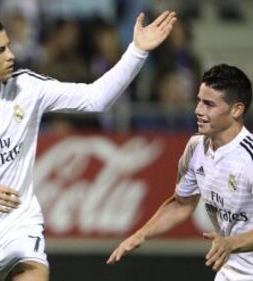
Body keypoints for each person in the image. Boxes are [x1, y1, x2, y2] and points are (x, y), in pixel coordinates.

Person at [0, 11, 176, 281]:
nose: (10, 56)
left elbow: (95, 99)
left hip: (19, 227)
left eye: (9, 46)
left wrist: (137, 51)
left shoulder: (27, 87)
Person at [107, 64, 253, 281]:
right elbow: (182, 204)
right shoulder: (196, 147)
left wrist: (230, 243)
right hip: (232, 271)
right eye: (199, 100)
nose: (198, 110)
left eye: (209, 104)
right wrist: (140, 235)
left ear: (236, 110)